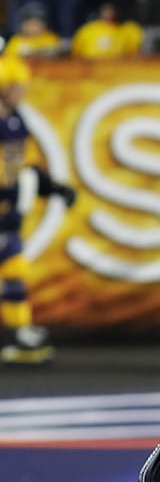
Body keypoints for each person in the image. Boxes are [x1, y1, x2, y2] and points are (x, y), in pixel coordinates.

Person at [0, 56, 76, 364]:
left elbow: (24, 166)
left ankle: (20, 331)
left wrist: (53, 187)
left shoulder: (16, 119)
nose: (20, 90)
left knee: (15, 268)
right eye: (14, 85)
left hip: (7, 211)